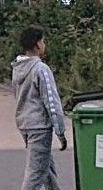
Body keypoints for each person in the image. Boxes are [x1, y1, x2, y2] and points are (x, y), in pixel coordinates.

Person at [13, 25, 67, 190]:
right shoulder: (41, 69)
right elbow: (51, 101)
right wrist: (60, 130)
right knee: (35, 175)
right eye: (43, 41)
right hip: (39, 126)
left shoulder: (18, 68)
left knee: (46, 169)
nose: (44, 44)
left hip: (25, 124)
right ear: (37, 44)